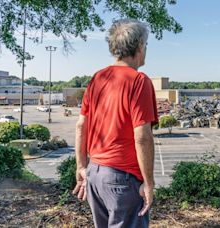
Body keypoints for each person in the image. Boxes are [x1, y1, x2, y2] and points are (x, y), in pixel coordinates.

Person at [72, 19, 158, 228]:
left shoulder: (98, 78)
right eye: (146, 45)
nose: (145, 50)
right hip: (123, 181)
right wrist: (148, 182)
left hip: (96, 175)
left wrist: (81, 167)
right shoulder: (138, 81)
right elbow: (142, 137)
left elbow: (81, 126)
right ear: (139, 45)